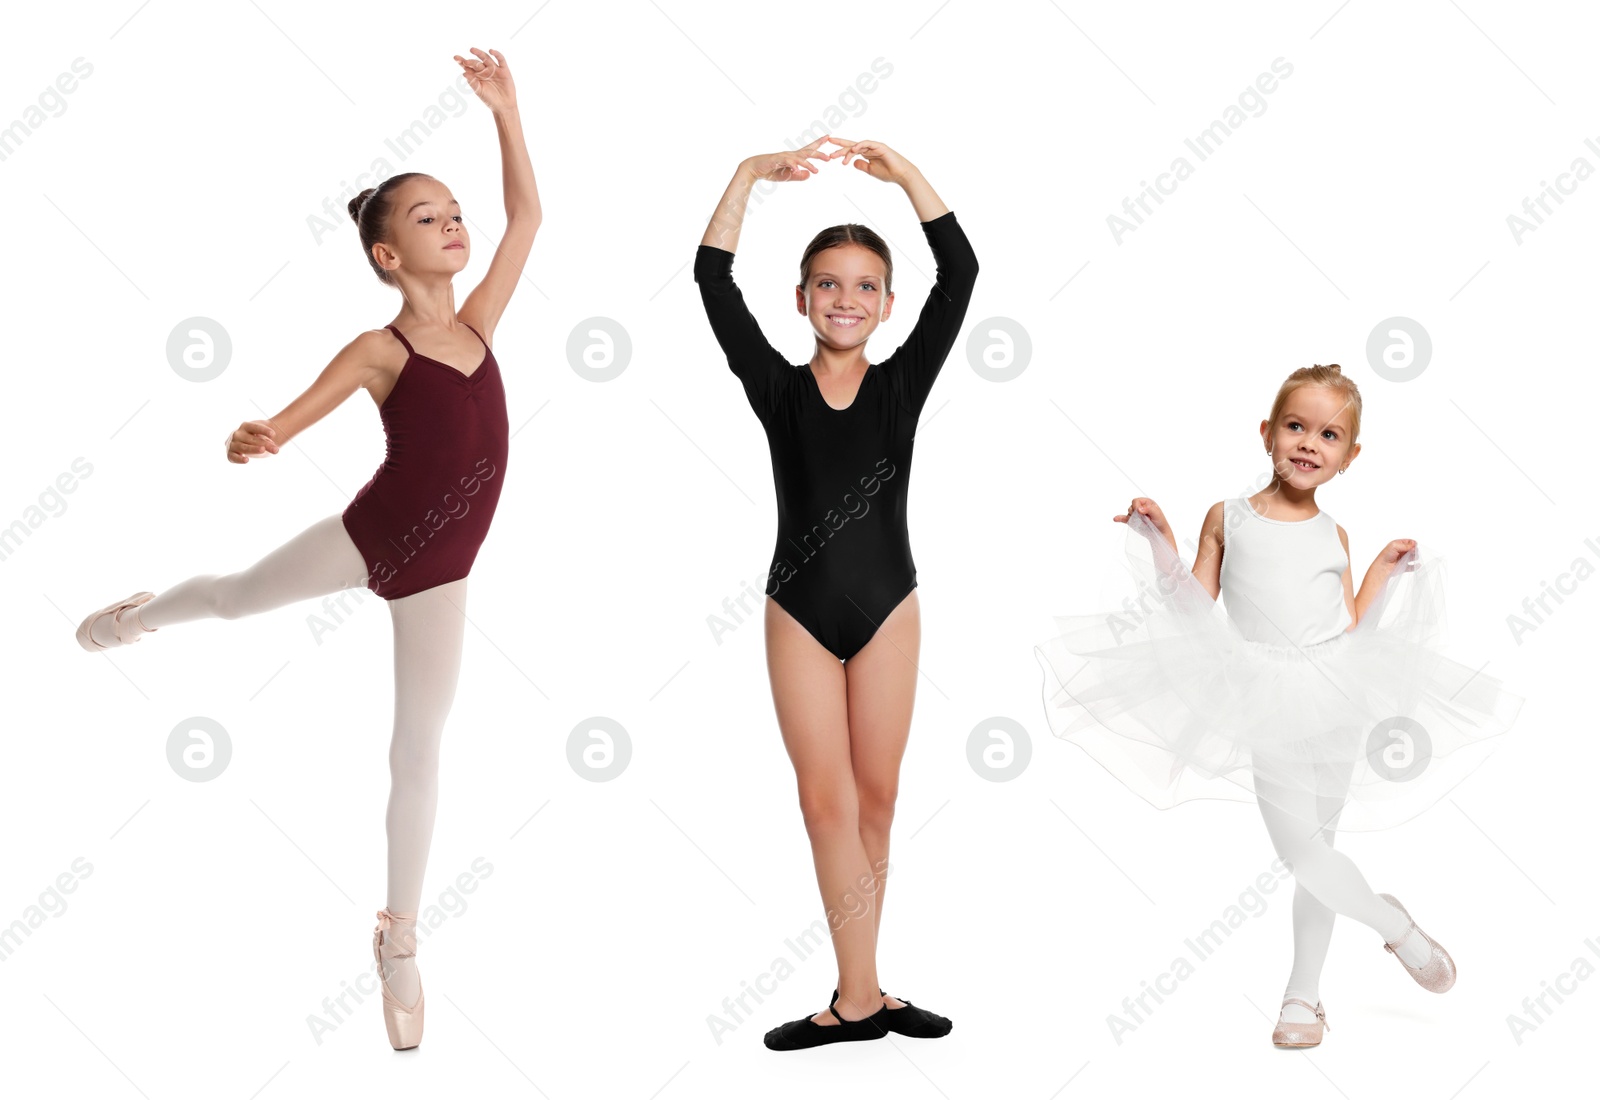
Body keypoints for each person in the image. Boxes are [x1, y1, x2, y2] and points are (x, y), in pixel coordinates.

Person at [73, 46, 540, 1052]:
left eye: (455, 211)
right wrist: (265, 434)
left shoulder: (483, 324)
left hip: (442, 572)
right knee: (239, 598)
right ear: (386, 255)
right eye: (427, 217)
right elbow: (297, 414)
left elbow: (530, 219)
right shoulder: (385, 349)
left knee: (418, 745)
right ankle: (143, 613)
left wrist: (504, 109)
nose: (454, 223)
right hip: (372, 538)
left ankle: (399, 934)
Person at [1035, 364, 1522, 1047]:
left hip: (1336, 691)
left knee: (1319, 848)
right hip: (1262, 691)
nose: (1308, 443)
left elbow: (1351, 627)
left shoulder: (1336, 534)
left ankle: (1303, 997)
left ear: (1349, 458)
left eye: (1329, 435)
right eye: (1296, 426)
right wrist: (1158, 542)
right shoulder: (1226, 517)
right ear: (1267, 433)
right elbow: (1193, 610)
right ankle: (1397, 929)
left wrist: (1380, 573)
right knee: (1302, 853)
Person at [694, 136, 979, 1050]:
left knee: (880, 799)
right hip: (799, 610)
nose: (846, 300)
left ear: (888, 304)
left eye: (864, 286)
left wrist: (907, 179)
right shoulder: (776, 387)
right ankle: (862, 999)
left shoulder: (903, 385)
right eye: (827, 283)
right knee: (825, 804)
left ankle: (860, 994)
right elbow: (710, 278)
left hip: (889, 602)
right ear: (803, 297)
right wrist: (744, 177)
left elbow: (962, 269)